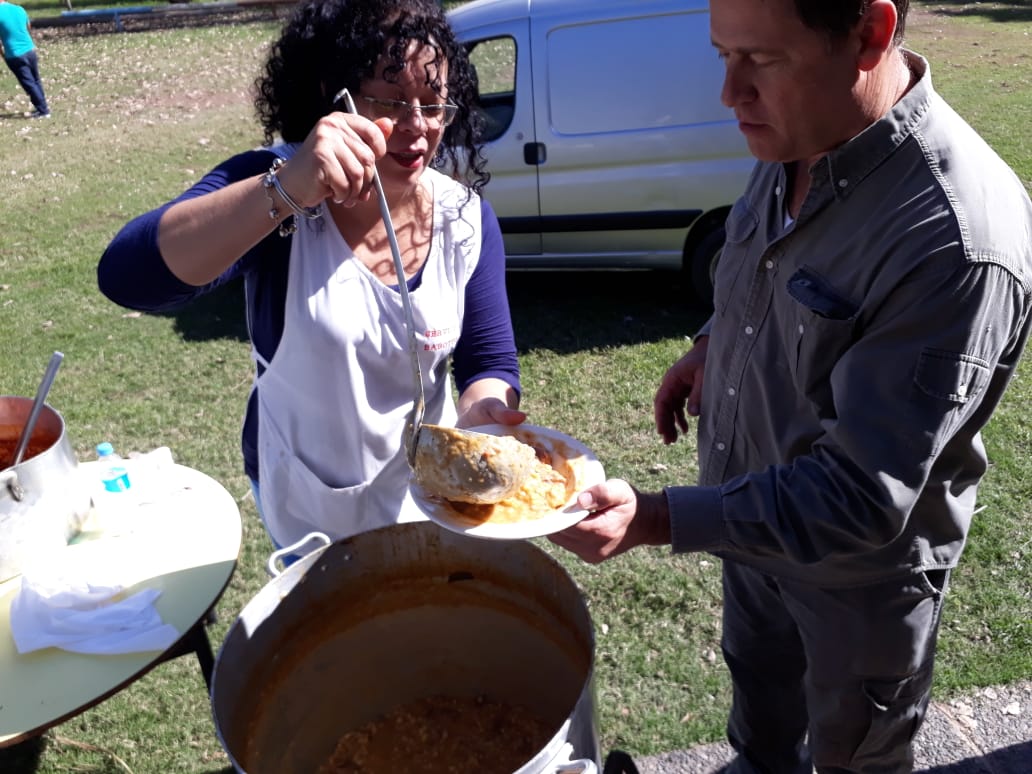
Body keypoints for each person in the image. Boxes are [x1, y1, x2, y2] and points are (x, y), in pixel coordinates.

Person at [549, 1, 1032, 772]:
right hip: (750, 540)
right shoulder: (803, 130)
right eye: (724, 56)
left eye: (762, 61)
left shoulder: (955, 238)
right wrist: (711, 343)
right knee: (762, 735)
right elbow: (768, 265)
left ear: (870, 34)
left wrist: (659, 517)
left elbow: (861, 496)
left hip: (854, 592)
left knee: (852, 758)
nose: (729, 93)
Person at [98, 0, 524, 551]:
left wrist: (483, 410)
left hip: (426, 490)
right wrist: (289, 188)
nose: (418, 126)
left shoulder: (464, 218)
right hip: (307, 502)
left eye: (433, 102)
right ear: (335, 96)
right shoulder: (278, 183)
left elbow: (487, 360)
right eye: (391, 101)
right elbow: (129, 277)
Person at [0, 0, 49, 118]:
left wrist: (3, 55)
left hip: (14, 53)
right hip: (29, 50)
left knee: (28, 83)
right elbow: (28, 27)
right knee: (36, 80)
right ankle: (42, 107)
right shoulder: (19, 9)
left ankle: (43, 111)